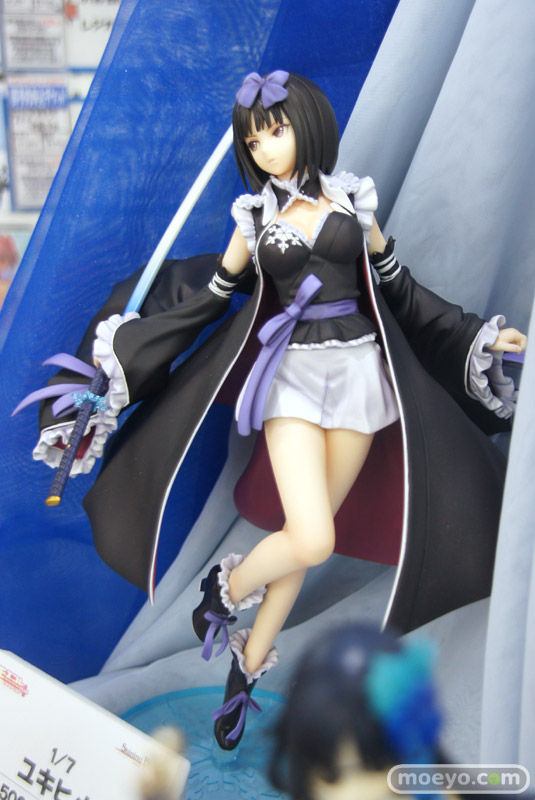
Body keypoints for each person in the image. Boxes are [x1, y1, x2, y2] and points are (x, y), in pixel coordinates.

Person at [23, 71, 526, 750]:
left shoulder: (352, 201)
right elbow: (207, 297)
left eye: (276, 131)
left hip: (359, 378)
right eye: (254, 140)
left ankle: (246, 670)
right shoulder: (254, 218)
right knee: (311, 537)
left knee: (303, 540)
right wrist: (120, 359)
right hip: (290, 380)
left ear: (306, 126)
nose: (265, 149)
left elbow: (400, 289)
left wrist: (474, 336)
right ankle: (224, 590)